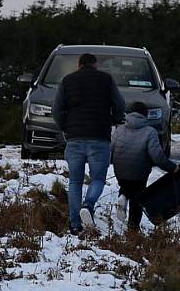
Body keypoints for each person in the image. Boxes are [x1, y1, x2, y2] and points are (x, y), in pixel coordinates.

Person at [52, 53, 126, 234]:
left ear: (79, 65)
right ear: (95, 65)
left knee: (75, 181)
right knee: (98, 179)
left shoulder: (67, 80)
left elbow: (56, 109)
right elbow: (120, 105)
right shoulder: (106, 79)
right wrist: (115, 119)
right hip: (99, 137)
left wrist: (65, 126)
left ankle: (75, 224)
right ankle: (89, 205)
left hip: (75, 138)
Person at [111, 101, 178, 231]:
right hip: (139, 173)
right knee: (137, 198)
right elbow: (157, 157)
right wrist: (172, 168)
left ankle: (123, 196)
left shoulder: (119, 129)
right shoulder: (150, 132)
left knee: (125, 186)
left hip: (120, 169)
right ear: (145, 115)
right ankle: (133, 228)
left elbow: (111, 149)